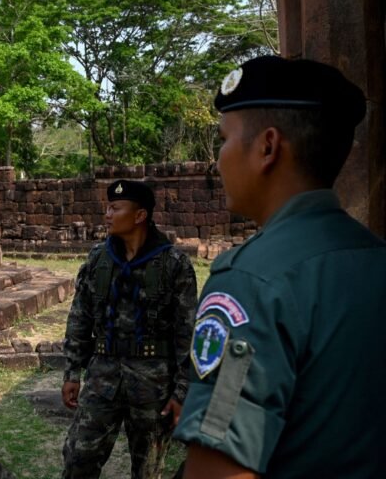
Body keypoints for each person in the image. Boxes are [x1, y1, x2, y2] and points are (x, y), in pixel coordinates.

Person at [173, 55, 386, 478]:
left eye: (224, 139)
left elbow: (219, 467)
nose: (218, 160)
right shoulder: (374, 256)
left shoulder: (251, 283)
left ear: (267, 147)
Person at [61, 179, 198, 478]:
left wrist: (181, 391)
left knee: (147, 470)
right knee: (78, 459)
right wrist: (72, 371)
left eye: (115, 208)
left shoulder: (174, 264)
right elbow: (80, 317)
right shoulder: (98, 259)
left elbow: (187, 334)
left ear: (140, 215)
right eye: (107, 207)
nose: (107, 214)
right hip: (102, 378)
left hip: (153, 385)